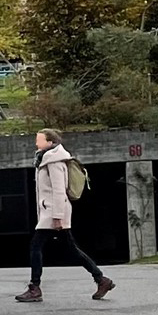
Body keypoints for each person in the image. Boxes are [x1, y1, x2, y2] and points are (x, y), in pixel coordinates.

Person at [20, 129, 115, 304]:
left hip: (54, 211)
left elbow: (59, 190)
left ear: (50, 142)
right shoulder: (46, 158)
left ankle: (35, 287)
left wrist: (57, 216)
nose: (36, 143)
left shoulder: (54, 161)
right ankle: (101, 279)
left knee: (36, 247)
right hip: (50, 210)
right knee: (71, 249)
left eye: (39, 140)